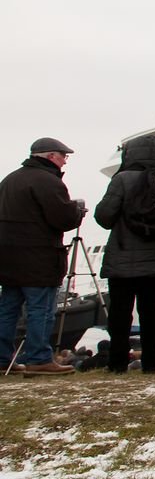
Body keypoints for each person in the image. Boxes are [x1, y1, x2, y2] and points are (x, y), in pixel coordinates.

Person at [94, 135, 155, 374]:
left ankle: (117, 364)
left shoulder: (122, 180)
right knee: (151, 309)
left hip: (123, 257)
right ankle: (151, 363)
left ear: (130, 154)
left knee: (121, 312)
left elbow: (104, 217)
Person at [0, 138, 84, 376]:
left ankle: (1, 358)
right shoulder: (48, 181)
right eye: (63, 156)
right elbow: (62, 219)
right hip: (38, 258)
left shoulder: (10, 179)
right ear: (50, 157)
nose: (64, 161)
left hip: (7, 258)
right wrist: (76, 211)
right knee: (41, 310)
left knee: (7, 310)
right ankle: (39, 359)